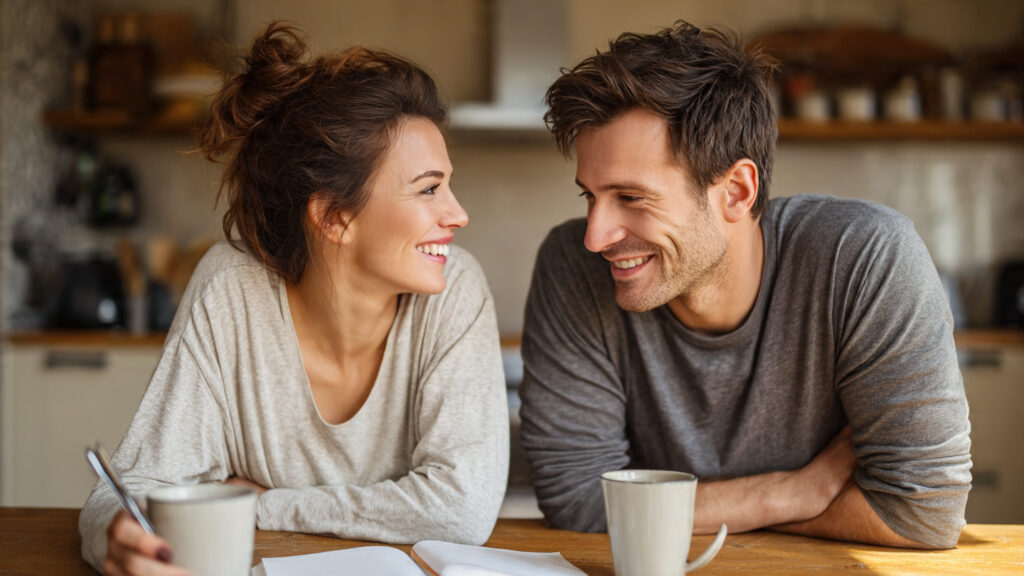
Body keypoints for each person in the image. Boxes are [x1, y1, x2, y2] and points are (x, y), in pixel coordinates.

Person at [519, 21, 971, 549]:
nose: (595, 237)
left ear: (736, 191)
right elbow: (577, 498)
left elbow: (923, 511)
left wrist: (663, 511)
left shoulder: (863, 258)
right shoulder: (571, 266)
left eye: (631, 198)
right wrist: (788, 495)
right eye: (589, 197)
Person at [79, 22, 509, 574]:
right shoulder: (230, 290)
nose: (458, 214)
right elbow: (132, 487)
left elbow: (462, 509)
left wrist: (264, 505)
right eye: (429, 189)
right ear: (334, 217)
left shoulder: (455, 289)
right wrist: (114, 536)